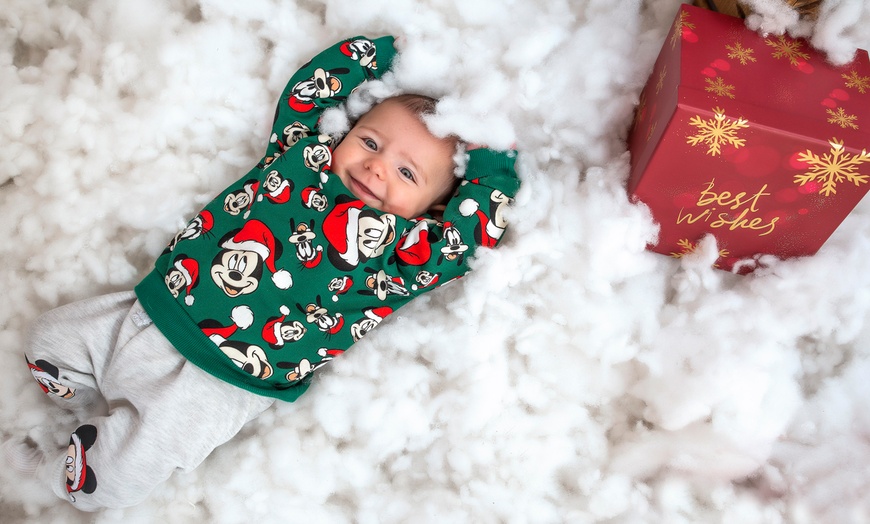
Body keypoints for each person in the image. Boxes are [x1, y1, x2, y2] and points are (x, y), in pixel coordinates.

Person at [3, 35, 520, 510]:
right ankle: (83, 396)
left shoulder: (407, 256)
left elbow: (471, 235)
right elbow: (306, 95)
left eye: (407, 173)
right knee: (47, 340)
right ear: (345, 134)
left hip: (220, 384)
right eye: (370, 143)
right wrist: (388, 55)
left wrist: (489, 143)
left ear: (430, 212)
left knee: (113, 479)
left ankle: (52, 473)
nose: (377, 167)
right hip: (154, 311)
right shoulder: (297, 161)